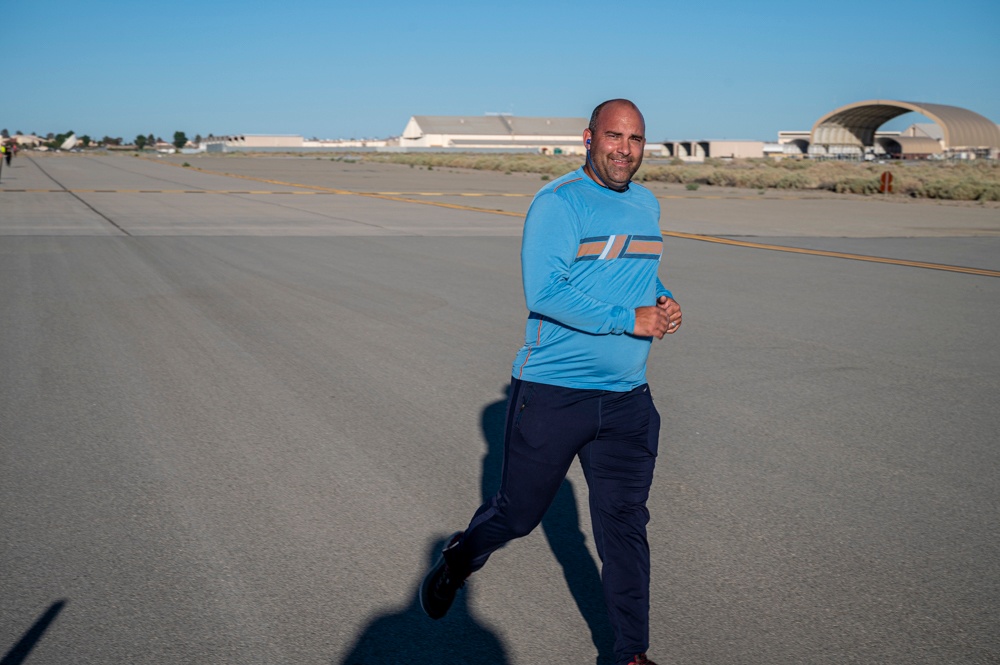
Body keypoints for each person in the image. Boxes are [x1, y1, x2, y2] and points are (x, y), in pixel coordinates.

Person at [420, 99, 682, 665]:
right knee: (518, 513)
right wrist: (626, 318)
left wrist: (661, 297)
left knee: (624, 529)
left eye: (635, 140)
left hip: (627, 402)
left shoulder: (646, 203)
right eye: (614, 137)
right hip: (553, 395)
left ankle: (630, 655)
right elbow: (546, 291)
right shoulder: (558, 203)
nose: (625, 150)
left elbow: (636, 266)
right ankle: (461, 558)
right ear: (589, 138)